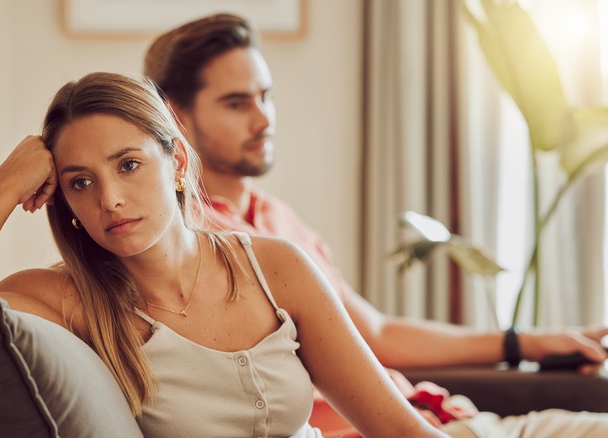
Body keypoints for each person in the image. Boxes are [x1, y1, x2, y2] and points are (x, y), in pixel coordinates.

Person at [0, 72, 445, 437]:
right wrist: (3, 188)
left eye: (129, 165)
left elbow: (399, 428)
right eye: (80, 182)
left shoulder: (275, 267)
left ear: (176, 162)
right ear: (64, 199)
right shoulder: (62, 299)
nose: (110, 200)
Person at [144, 13, 608, 437]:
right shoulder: (189, 247)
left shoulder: (276, 217)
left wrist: (523, 342)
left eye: (266, 96)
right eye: (236, 103)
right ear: (176, 116)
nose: (264, 119)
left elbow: (375, 332)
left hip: (449, 418)